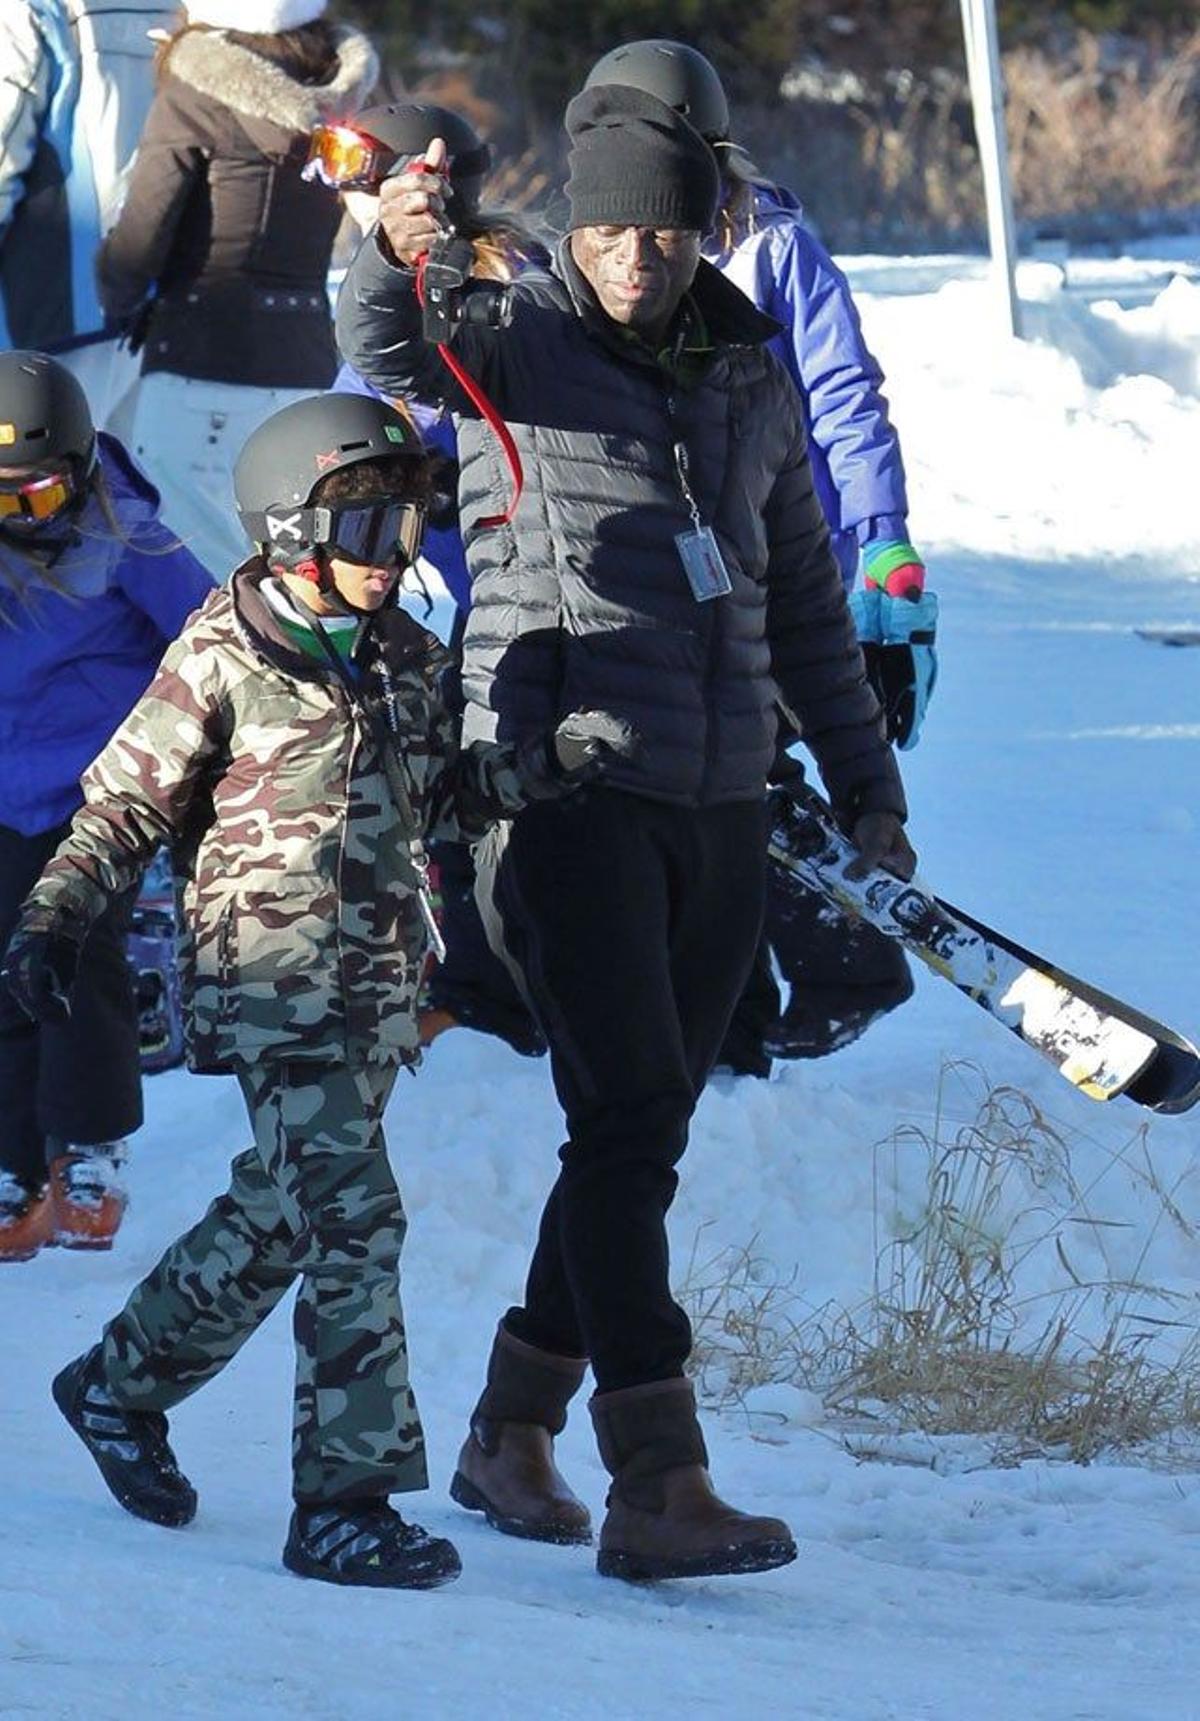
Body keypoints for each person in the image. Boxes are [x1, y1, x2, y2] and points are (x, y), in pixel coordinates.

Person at [336, 87, 915, 1582]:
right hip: (560, 796)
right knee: (628, 1111)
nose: (633, 258)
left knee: (640, 1133)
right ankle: (657, 1476)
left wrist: (869, 791)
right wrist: (388, 243)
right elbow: (390, 343)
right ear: (573, 227)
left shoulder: (747, 370)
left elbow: (800, 602)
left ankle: (510, 1420)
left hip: (720, 796)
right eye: (605, 229)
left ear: (700, 225)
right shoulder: (515, 340)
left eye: (658, 230)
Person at [1, 390, 633, 1588]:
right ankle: (344, 1501)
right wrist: (52, 918)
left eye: (404, 532)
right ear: (290, 532)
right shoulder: (221, 652)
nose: (392, 560)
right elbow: (123, 808)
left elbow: (445, 798)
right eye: (365, 535)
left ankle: (116, 1385)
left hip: (376, 987)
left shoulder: (403, 653)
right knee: (354, 1216)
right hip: (266, 985)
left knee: (282, 1210)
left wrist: (541, 765)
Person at [584, 40, 937, 1076]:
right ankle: (761, 995)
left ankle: (833, 967)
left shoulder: (770, 246)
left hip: (784, 563)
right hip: (681, 562)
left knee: (747, 781)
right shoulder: (606, 247)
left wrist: (882, 542)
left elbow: (846, 397)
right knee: (721, 780)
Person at [317, 99, 550, 1057]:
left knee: (483, 796)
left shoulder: (504, 288)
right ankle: (447, 974)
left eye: (365, 178)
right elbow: (347, 427)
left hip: (514, 595)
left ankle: (491, 995)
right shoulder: (372, 291)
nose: (348, 201)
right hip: (423, 596)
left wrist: (440, 478)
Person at [0, 350, 214, 1263]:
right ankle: (12, 1161)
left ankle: (87, 1146)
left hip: (96, 794)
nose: (16, 520)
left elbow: (207, 632)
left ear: (80, 474)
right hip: (4, 793)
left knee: (77, 961)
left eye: (36, 500)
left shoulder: (129, 535)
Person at [94, 0, 378, 579]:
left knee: (187, 568)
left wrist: (114, 290)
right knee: (294, 571)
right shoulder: (341, 84)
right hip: (305, 364)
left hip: (199, 358)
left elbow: (143, 237)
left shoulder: (196, 87)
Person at [0, 0, 175, 422]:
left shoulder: (27, 10)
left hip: (41, 304)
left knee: (33, 476)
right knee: (120, 476)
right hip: (155, 299)